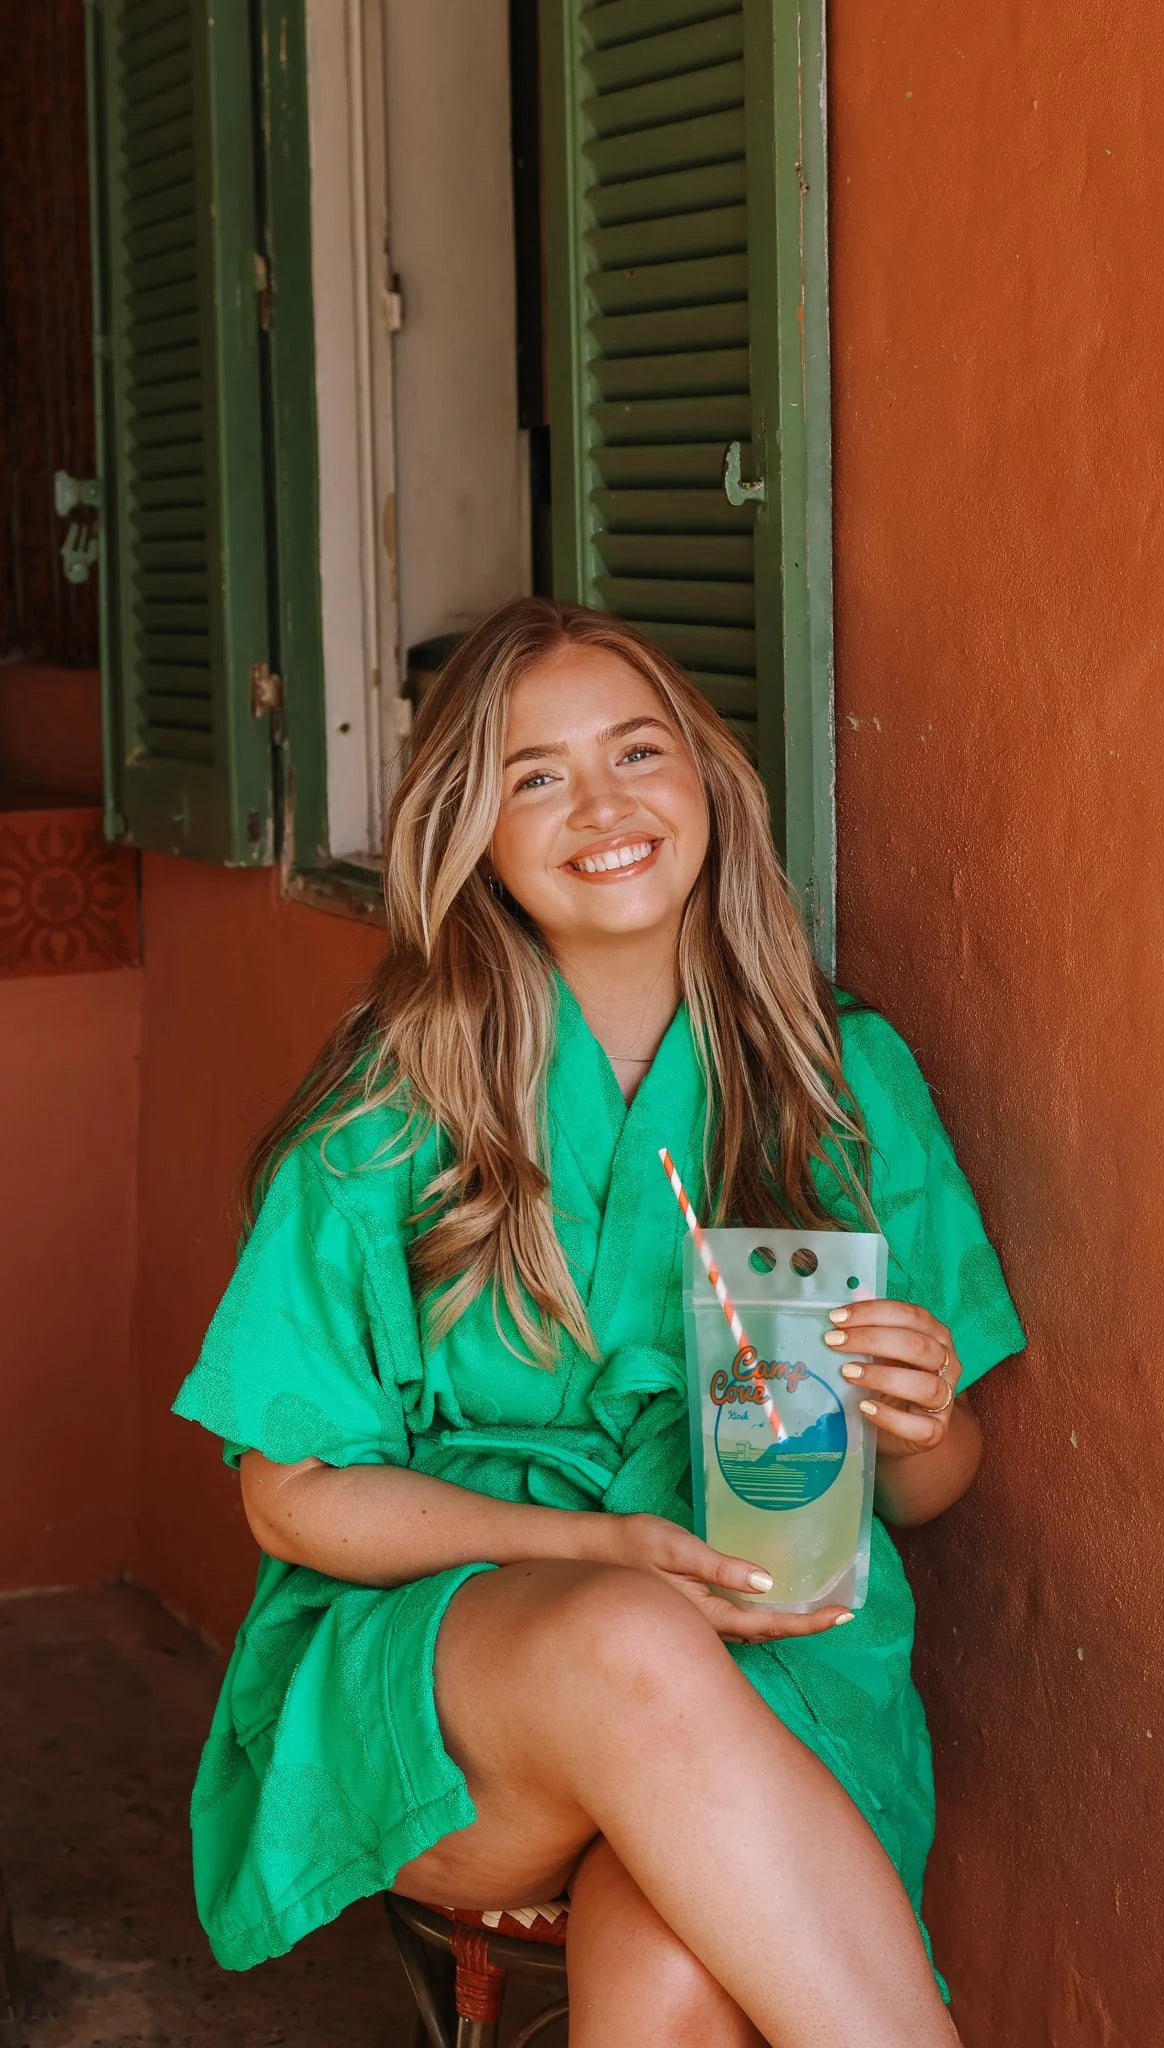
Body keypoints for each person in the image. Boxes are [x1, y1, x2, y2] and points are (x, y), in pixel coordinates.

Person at [172, 597, 1025, 2047]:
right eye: (534, 775)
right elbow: (291, 1495)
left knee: (675, 1972)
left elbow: (934, 1492)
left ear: (707, 781)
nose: (602, 806)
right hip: (462, 1695)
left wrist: (921, 1418)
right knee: (629, 1633)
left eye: (637, 751)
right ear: (473, 834)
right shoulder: (388, 1117)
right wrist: (603, 1550)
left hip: (785, 1660)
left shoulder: (840, 1080)